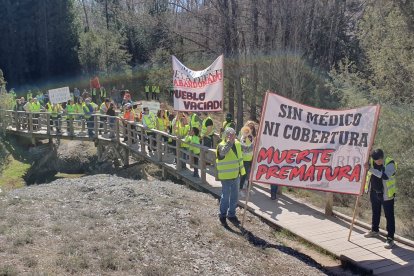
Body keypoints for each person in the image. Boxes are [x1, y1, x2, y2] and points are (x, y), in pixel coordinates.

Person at [364, 149, 397, 249]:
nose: (378, 162)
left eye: (379, 160)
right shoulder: (372, 161)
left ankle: (390, 239)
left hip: (386, 195)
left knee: (389, 216)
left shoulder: (390, 163)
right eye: (376, 160)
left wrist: (370, 169)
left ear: (383, 156)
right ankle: (375, 231)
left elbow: (385, 176)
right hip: (374, 192)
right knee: (375, 212)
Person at [216, 127, 246, 226]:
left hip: (235, 176)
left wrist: (255, 143)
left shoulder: (237, 144)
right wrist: (230, 142)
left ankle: (231, 214)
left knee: (235, 196)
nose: (231, 136)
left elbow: (247, 149)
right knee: (225, 197)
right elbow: (223, 152)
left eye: (232, 134)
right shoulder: (221, 145)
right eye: (228, 134)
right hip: (226, 177)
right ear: (225, 135)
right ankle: (222, 215)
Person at [238, 121, 256, 198]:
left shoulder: (252, 137)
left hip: (251, 158)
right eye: (249, 127)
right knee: (243, 174)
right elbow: (244, 148)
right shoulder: (244, 137)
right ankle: (240, 189)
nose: (250, 129)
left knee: (249, 174)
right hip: (244, 158)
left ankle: (247, 188)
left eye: (252, 128)